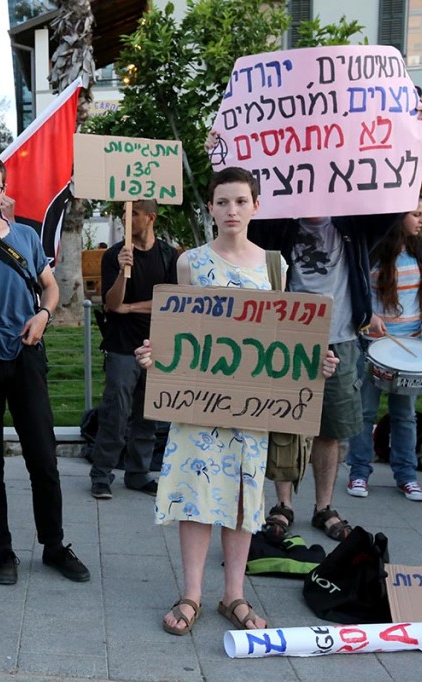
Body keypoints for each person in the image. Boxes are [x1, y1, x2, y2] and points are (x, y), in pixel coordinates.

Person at [136, 167, 339, 635]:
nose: (231, 210)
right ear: (210, 208)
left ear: (255, 206)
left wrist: (314, 364)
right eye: (223, 202)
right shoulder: (190, 262)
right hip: (196, 406)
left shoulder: (274, 266)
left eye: (240, 201)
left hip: (250, 411)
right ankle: (191, 594)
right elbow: (177, 331)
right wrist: (156, 357)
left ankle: (234, 595)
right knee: (196, 496)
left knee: (245, 499)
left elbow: (283, 336)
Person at [237, 104, 422, 541]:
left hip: (341, 339)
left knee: (331, 429)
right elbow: (240, 200)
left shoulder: (354, 224)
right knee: (284, 423)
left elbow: (398, 193)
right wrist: (222, 151)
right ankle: (283, 504)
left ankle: (324, 506)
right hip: (286, 340)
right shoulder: (276, 226)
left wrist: (415, 135)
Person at [0, 153, 90, 586]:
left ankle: (53, 544)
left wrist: (44, 316)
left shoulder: (27, 236)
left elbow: (50, 287)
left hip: (27, 352)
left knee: (43, 456)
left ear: (4, 191)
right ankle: (1, 548)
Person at [347, 197, 422, 502]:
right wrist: (369, 317)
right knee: (365, 411)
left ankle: (407, 476)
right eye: (416, 214)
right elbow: (355, 288)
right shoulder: (372, 248)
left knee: (405, 414)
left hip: (411, 345)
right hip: (373, 345)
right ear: (399, 216)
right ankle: (358, 472)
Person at [89, 199, 178, 500]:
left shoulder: (168, 255)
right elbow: (112, 304)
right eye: (125, 214)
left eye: (134, 214)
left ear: (150, 218)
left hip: (156, 346)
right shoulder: (114, 254)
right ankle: (101, 474)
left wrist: (131, 308)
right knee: (115, 412)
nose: (128, 220)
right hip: (121, 348)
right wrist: (121, 273)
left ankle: (138, 474)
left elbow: (170, 302)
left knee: (148, 415)